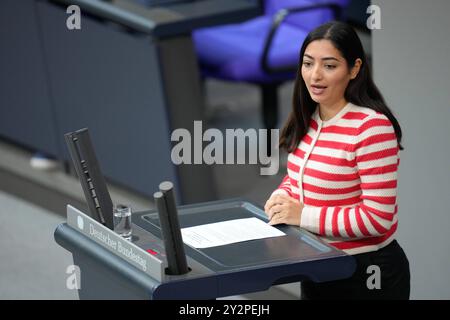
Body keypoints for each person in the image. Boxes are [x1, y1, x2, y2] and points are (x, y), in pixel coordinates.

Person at [264, 21, 410, 300]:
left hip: (367, 273)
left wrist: (302, 214)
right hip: (318, 265)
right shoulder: (309, 118)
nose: (315, 75)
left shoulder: (371, 127)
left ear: (354, 69)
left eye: (329, 66)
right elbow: (300, 175)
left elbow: (377, 218)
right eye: (308, 64)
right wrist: (282, 196)